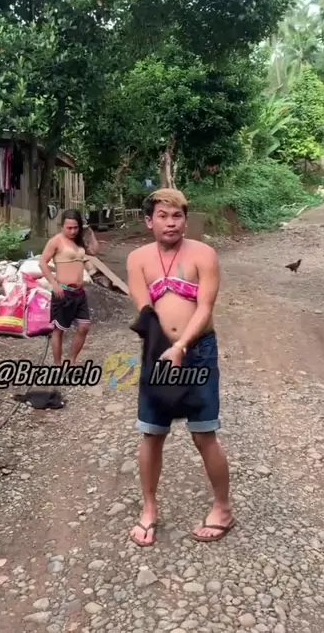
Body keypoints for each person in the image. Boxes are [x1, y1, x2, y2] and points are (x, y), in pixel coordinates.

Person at [126, 188, 233, 546]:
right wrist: (163, 350)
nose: (171, 223)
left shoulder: (204, 254)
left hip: (198, 351)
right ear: (149, 221)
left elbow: (205, 307)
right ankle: (149, 509)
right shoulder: (138, 259)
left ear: (185, 220)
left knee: (203, 433)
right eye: (162, 216)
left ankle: (223, 508)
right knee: (152, 432)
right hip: (159, 352)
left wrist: (182, 345)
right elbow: (145, 310)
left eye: (177, 216)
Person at [39, 209, 99, 365]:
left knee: (84, 327)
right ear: (62, 226)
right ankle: (58, 365)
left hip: (79, 292)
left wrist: (90, 232)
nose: (72, 231)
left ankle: (71, 361)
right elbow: (42, 263)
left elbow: (94, 251)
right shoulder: (56, 241)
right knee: (59, 330)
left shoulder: (78, 241)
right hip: (63, 291)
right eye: (69, 228)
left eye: (75, 227)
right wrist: (54, 284)